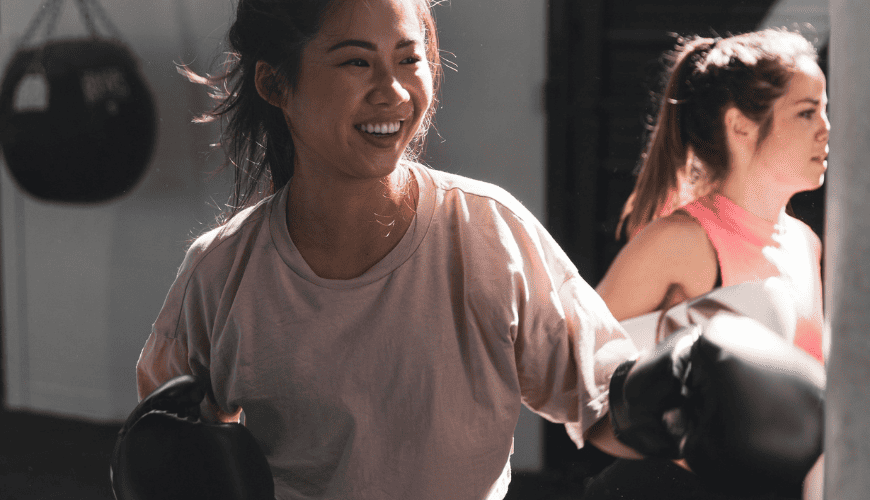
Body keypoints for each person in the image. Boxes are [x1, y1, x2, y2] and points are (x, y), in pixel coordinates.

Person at [134, 0, 641, 498]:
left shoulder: (491, 234)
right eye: (356, 61)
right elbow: (167, 449)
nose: (393, 90)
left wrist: (665, 403)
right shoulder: (221, 272)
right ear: (275, 83)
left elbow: (605, 405)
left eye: (409, 59)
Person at [579, 29, 829, 499]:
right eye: (806, 112)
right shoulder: (679, 241)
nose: (826, 129)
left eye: (825, 110)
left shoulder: (804, 243)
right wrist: (666, 426)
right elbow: (574, 380)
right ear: (740, 126)